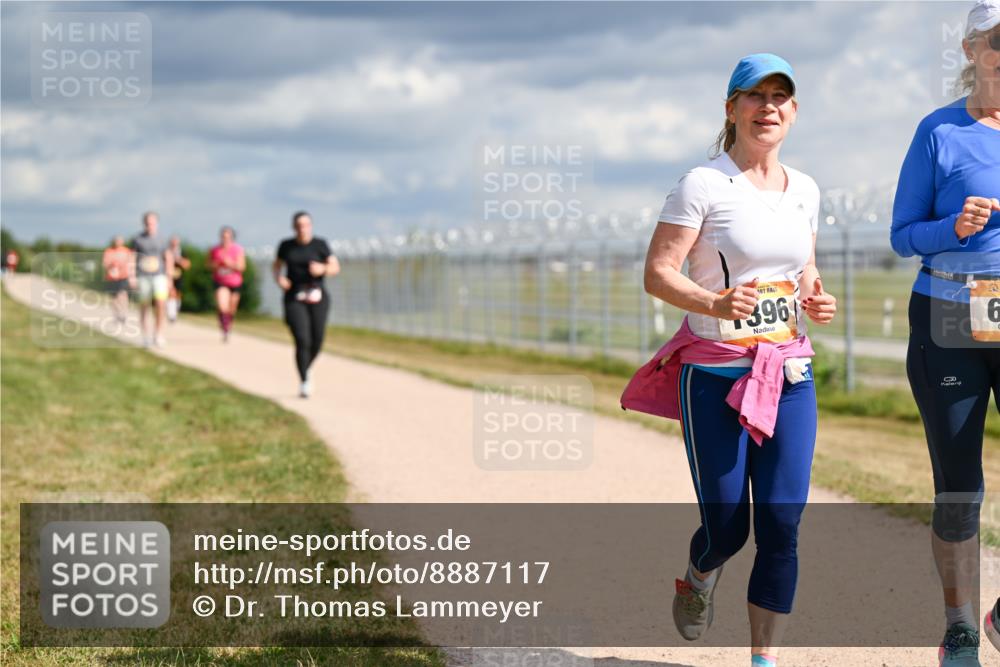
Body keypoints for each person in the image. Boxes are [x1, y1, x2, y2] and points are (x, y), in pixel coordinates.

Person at [620, 54, 836, 667]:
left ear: (794, 111)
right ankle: (699, 574)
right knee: (727, 527)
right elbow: (658, 272)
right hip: (715, 376)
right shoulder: (703, 184)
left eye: (779, 97)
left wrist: (815, 295)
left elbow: (803, 267)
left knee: (782, 526)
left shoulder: (806, 189)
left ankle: (763, 659)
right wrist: (713, 301)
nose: (768, 107)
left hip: (788, 373)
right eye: (754, 96)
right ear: (731, 108)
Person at [890, 2, 1000, 665]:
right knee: (960, 485)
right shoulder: (940, 131)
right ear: (971, 50)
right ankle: (959, 628)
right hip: (949, 316)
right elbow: (903, 235)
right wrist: (952, 227)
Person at [272, 211, 340, 397]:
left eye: (306, 225)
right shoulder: (286, 246)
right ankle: (304, 381)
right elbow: (276, 266)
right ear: (294, 227)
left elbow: (335, 267)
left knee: (317, 339)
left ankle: (305, 367)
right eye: (299, 225)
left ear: (311, 226)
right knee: (302, 339)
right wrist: (279, 279)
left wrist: (322, 269)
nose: (302, 229)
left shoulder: (320, 245)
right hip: (294, 296)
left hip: (317, 295)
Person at [129, 211, 174, 347]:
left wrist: (169, 278)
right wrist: (132, 276)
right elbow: (132, 257)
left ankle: (158, 334)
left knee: (161, 304)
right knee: (144, 306)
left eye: (152, 223)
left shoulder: (163, 239)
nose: (150, 225)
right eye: (148, 223)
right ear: (144, 224)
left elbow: (168, 258)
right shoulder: (138, 239)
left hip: (159, 276)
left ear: (157, 223)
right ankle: (145, 335)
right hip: (143, 276)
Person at [207, 226, 246, 342]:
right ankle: (224, 328)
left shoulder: (238, 249)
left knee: (231, 308)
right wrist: (217, 264)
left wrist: (230, 264)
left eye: (228, 237)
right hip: (220, 282)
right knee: (222, 306)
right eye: (223, 237)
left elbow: (242, 267)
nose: (225, 239)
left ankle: (228, 325)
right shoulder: (215, 250)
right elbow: (208, 265)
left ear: (232, 238)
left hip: (235, 282)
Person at [102, 235, 132, 323]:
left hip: (123, 276)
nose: (118, 242)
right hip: (112, 277)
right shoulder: (109, 251)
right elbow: (105, 263)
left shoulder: (126, 251)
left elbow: (130, 263)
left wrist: (131, 276)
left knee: (123, 294)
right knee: (114, 297)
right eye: (116, 241)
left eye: (120, 241)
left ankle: (124, 313)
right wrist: (112, 265)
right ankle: (117, 314)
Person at [166, 235, 191, 323]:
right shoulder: (166, 251)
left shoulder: (183, 252)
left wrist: (178, 260)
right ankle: (171, 315)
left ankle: (175, 310)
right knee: (170, 293)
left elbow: (187, 265)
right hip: (168, 276)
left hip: (179, 277)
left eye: (176, 242)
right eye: (173, 242)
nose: (174, 244)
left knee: (177, 295)